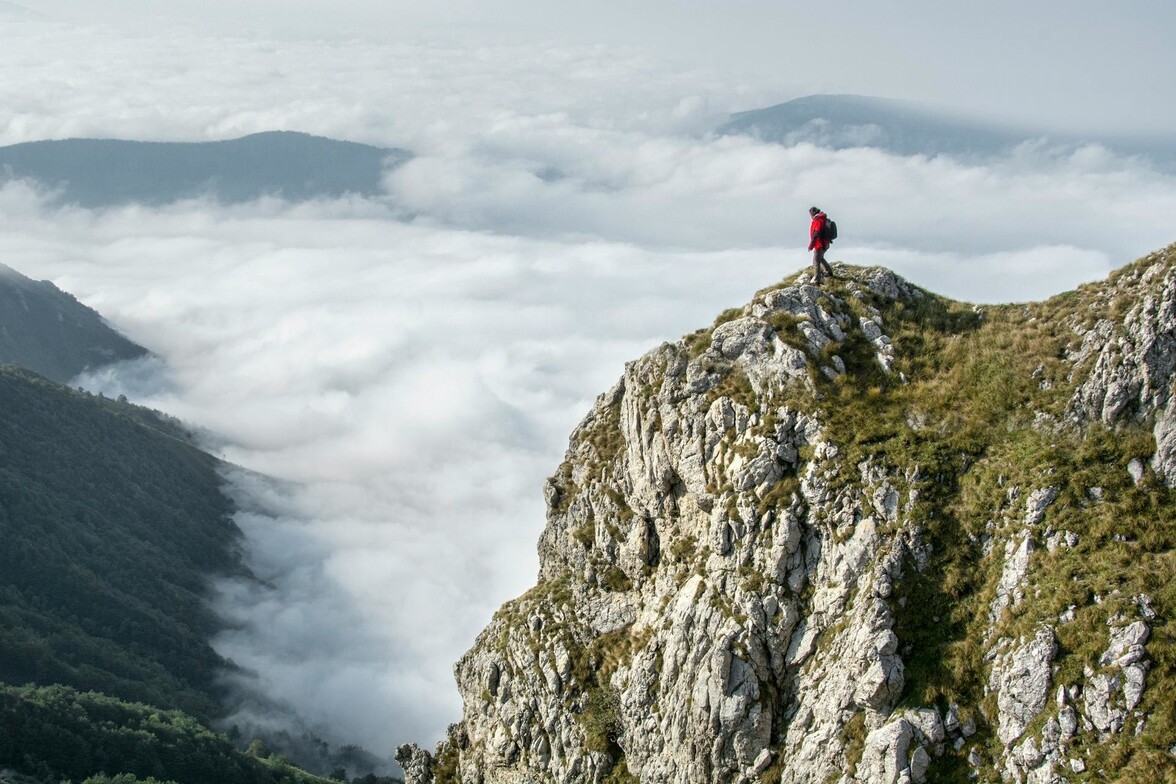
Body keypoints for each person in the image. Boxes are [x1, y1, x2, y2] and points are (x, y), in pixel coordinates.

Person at [808, 206, 835, 284]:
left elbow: (816, 233)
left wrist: (811, 245)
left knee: (816, 261)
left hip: (819, 244)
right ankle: (829, 271)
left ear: (812, 213)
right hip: (826, 243)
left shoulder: (817, 220)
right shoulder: (823, 218)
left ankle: (816, 280)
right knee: (820, 258)